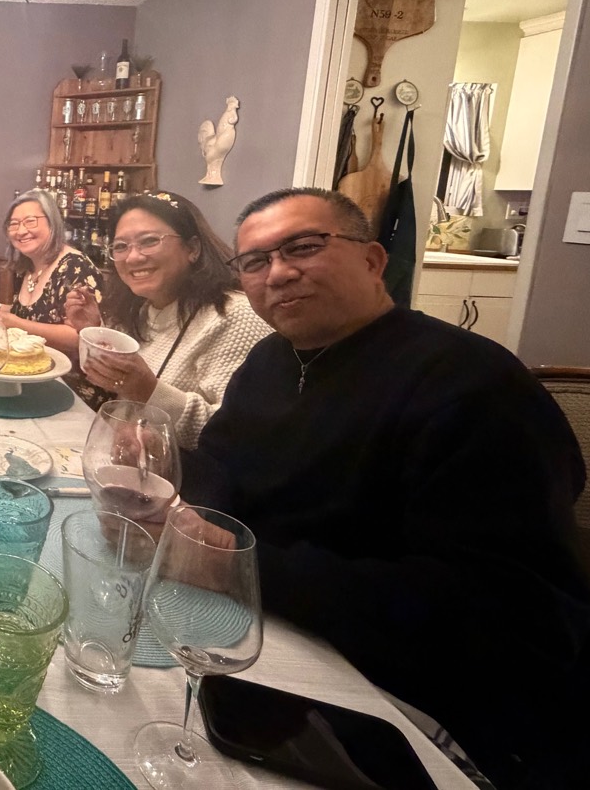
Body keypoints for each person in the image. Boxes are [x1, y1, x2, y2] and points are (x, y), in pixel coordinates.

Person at [185, 187, 590, 788]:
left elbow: (482, 608)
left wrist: (238, 566)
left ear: (374, 261)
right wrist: (169, 478)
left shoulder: (474, 387)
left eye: (304, 247)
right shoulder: (272, 360)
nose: (279, 272)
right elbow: (222, 462)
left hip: (428, 703)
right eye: (254, 261)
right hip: (278, 637)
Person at [63, 191, 270, 443]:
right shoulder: (143, 309)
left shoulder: (234, 316)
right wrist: (94, 329)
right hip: (125, 457)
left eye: (149, 241)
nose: (133, 257)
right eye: (120, 246)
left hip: (187, 478)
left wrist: (148, 390)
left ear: (192, 248)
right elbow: (113, 387)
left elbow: (237, 434)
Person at [0, 191, 101, 397]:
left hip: (71, 386)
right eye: (13, 224)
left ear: (52, 222)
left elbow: (80, 337)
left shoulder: (75, 266)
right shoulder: (30, 267)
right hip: (32, 375)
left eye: (30, 221)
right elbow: (26, 313)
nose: (21, 231)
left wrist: (15, 323)